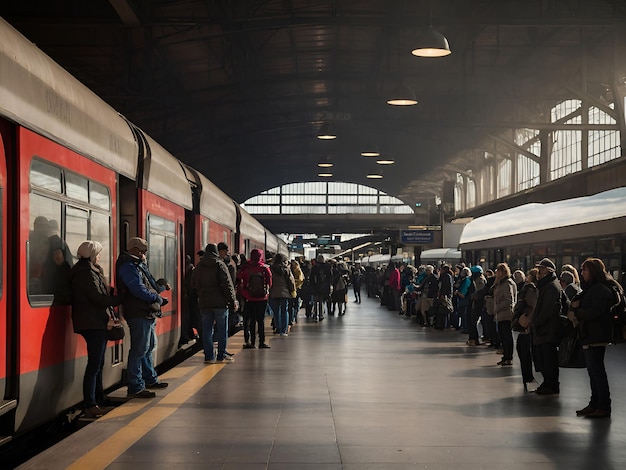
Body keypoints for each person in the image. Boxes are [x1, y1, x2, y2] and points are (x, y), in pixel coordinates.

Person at [70, 240, 122, 418]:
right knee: (94, 365)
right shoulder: (86, 273)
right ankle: (91, 404)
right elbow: (98, 299)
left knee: (98, 364)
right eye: (98, 253)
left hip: (93, 322)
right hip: (92, 324)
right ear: (91, 255)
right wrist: (119, 300)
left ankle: (98, 400)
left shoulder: (88, 271)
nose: (100, 256)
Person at [116, 237, 169, 398]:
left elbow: (149, 285)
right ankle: (135, 385)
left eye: (144, 251)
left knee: (148, 347)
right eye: (141, 250)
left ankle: (150, 378)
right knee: (139, 349)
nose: (143, 253)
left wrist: (158, 292)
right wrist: (156, 298)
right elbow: (138, 290)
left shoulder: (137, 265)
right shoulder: (128, 266)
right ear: (132, 249)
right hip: (138, 313)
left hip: (146, 312)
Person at [569, 258, 618, 418]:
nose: (582, 273)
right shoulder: (594, 288)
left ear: (593, 271)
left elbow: (594, 312)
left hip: (596, 335)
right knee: (593, 371)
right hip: (592, 334)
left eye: (585, 270)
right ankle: (595, 403)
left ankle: (603, 406)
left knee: (597, 371)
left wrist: (578, 312)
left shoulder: (599, 289)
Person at [193, 243, 238, 363]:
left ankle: (209, 356)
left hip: (204, 303)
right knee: (222, 329)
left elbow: (194, 283)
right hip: (220, 303)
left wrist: (201, 295)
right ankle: (221, 354)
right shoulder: (220, 264)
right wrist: (232, 300)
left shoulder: (199, 266)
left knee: (207, 329)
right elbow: (227, 284)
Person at [531, 258, 563, 396]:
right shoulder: (547, 285)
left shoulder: (551, 287)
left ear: (548, 270)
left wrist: (537, 322)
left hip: (547, 329)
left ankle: (551, 384)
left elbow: (547, 310)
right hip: (545, 329)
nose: (539, 271)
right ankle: (548, 383)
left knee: (548, 358)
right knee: (544, 358)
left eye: (541, 269)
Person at [238, 248, 272, 349]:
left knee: (251, 321)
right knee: (261, 320)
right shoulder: (265, 268)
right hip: (262, 298)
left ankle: (252, 342)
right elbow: (270, 282)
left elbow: (240, 279)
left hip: (249, 298)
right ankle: (262, 342)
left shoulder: (246, 268)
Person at [513, 268, 539, 391]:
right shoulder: (533, 289)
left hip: (527, 325)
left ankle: (528, 378)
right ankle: (528, 378)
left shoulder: (530, 289)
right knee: (524, 351)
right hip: (528, 326)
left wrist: (527, 318)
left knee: (524, 351)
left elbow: (533, 306)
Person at [493, 263, 516, 366]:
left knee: (506, 335)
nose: (496, 273)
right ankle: (505, 355)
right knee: (502, 335)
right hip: (501, 314)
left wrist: (498, 308)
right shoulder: (500, 283)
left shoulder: (507, 283)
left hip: (506, 314)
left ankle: (508, 356)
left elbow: (509, 299)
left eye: (498, 271)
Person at [41, 234, 72, 304]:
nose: (56, 256)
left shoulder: (66, 269)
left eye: (58, 253)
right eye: (54, 254)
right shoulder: (47, 267)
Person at [269, 253, 295, 335]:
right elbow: (291, 281)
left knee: (276, 311)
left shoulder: (271, 269)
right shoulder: (286, 269)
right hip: (285, 293)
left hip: (273, 292)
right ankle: (284, 330)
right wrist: (292, 290)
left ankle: (278, 328)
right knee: (284, 311)